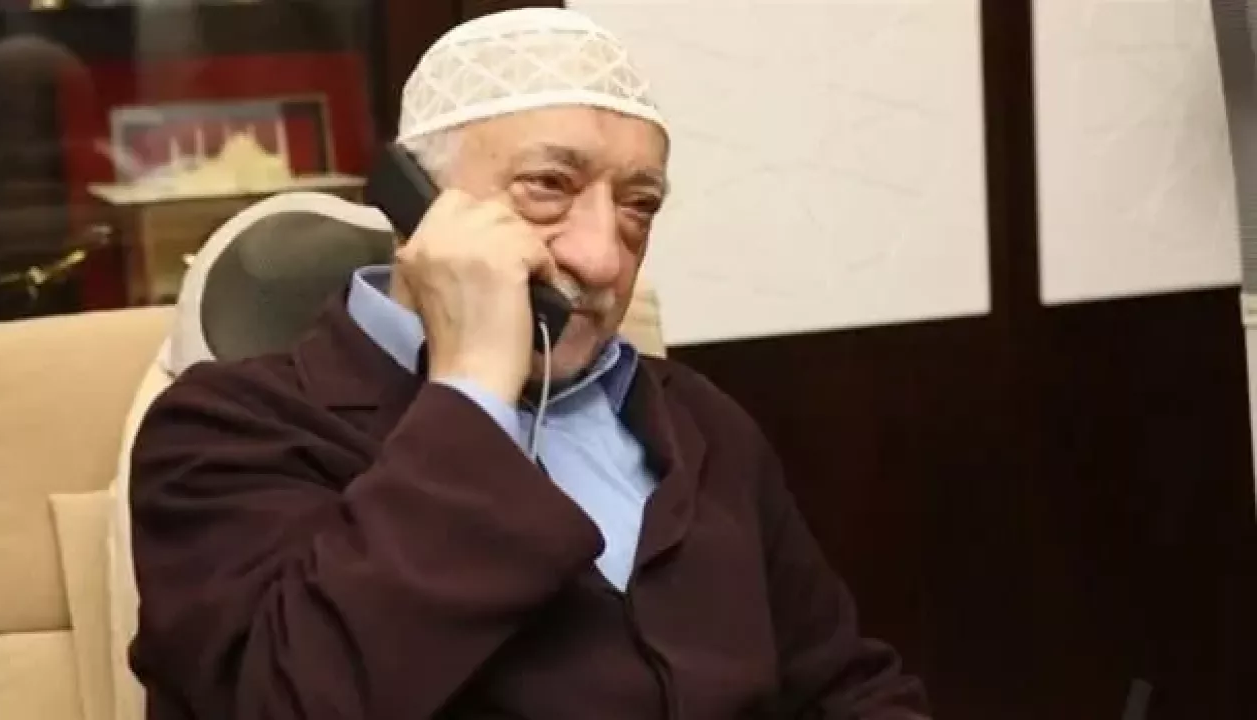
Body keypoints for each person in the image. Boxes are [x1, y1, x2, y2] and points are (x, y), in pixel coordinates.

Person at [127, 8, 929, 719]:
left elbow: (844, 687)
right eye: (548, 185)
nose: (603, 258)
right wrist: (474, 386)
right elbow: (288, 698)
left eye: (638, 205)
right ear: (416, 202)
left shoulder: (701, 423)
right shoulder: (227, 428)